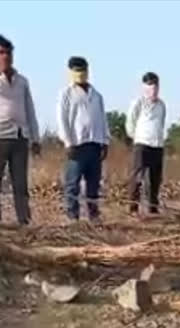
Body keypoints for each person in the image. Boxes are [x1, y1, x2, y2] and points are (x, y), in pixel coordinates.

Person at [0, 34, 40, 226]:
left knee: (20, 185)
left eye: (8, 53)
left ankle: (24, 223)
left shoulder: (22, 81)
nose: (6, 57)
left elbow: (30, 110)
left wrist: (35, 138)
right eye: (1, 52)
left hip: (20, 136)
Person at [57, 56, 110, 222]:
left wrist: (105, 141)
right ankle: (73, 217)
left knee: (93, 184)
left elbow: (102, 118)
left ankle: (94, 216)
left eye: (82, 70)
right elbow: (62, 119)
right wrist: (67, 141)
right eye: (76, 70)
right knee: (72, 183)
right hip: (76, 145)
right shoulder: (66, 94)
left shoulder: (97, 95)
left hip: (95, 143)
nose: (80, 74)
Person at [125, 72, 166, 215]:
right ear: (144, 86)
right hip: (142, 144)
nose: (153, 88)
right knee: (137, 177)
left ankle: (153, 207)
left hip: (157, 145)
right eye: (149, 84)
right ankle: (133, 207)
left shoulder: (161, 105)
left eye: (155, 85)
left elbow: (161, 123)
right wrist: (137, 138)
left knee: (155, 179)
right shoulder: (138, 103)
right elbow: (130, 123)